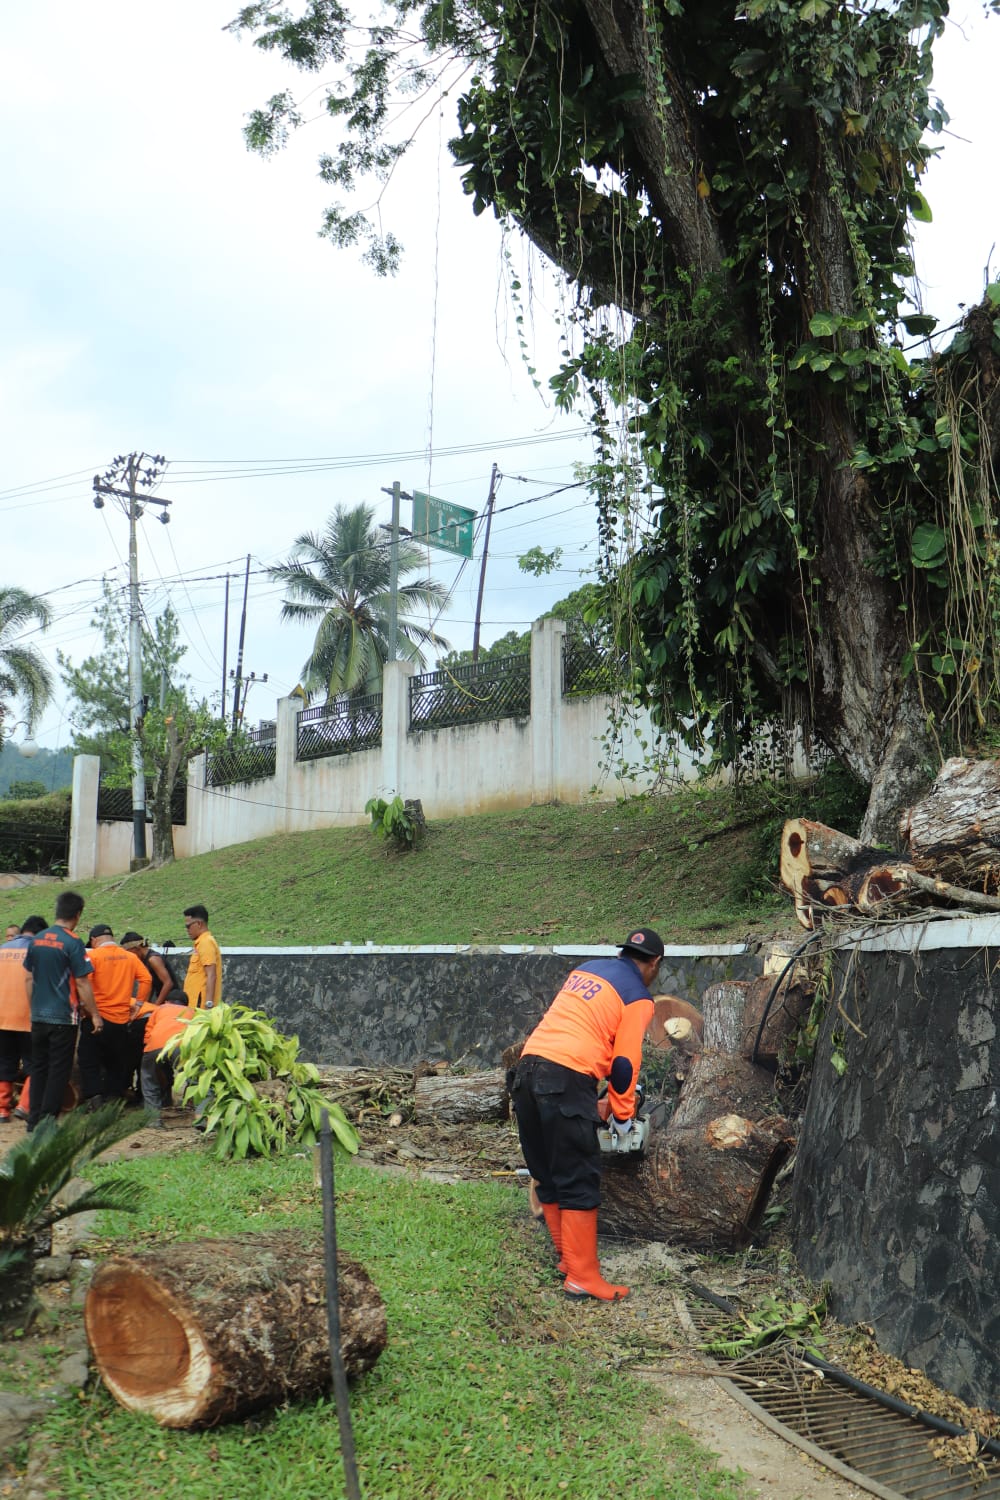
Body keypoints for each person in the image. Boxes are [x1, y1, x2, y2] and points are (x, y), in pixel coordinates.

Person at [511, 927, 664, 1302]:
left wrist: (602, 1098)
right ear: (654, 964)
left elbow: (584, 1031)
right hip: (566, 1076)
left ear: (622, 953)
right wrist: (624, 1119)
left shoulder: (585, 970)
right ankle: (583, 1276)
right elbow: (625, 1064)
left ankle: (567, 1258)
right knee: (579, 1175)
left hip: (527, 1070)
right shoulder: (639, 998)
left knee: (546, 1170)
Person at [24, 892, 100, 1131]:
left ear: (57, 910)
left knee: (38, 1067)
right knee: (58, 1070)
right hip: (63, 1018)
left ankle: (33, 1119)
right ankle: (47, 1121)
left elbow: (28, 979)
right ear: (77, 915)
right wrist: (95, 1014)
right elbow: (82, 982)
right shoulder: (72, 942)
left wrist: (33, 1009)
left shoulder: (37, 940)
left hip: (38, 1017)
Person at [79, 926, 152, 1104]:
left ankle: (94, 1097)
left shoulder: (93, 956)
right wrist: (139, 1004)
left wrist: (85, 1007)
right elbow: (146, 979)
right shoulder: (130, 957)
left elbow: (84, 983)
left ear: (94, 940)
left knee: (88, 1059)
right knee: (116, 1062)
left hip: (95, 1018)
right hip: (120, 1020)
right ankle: (113, 1099)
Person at [0, 916, 46, 1122]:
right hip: (28, 1017)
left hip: (1, 1017)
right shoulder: (39, 952)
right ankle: (25, 1105)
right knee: (35, 1062)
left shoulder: (2, 949)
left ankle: (2, 1109)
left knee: (4, 1061)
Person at [130, 997, 195, 1126]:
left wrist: (149, 1053)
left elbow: (148, 1033)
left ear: (167, 1002)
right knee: (196, 1078)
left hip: (155, 1046)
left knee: (149, 1079)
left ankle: (152, 1120)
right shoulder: (192, 1011)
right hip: (182, 1046)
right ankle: (201, 1116)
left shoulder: (159, 1009)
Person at [119, 932, 180, 1005]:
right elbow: (150, 986)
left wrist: (156, 1005)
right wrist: (144, 1005)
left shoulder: (153, 959)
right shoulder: (144, 960)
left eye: (129, 952)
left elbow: (168, 983)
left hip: (173, 1001)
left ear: (137, 948)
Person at [182, 905, 222, 1010]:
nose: (187, 930)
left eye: (188, 926)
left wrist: (208, 1004)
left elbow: (211, 974)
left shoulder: (206, 942)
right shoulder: (201, 943)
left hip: (200, 1005)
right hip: (194, 1003)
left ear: (199, 924)